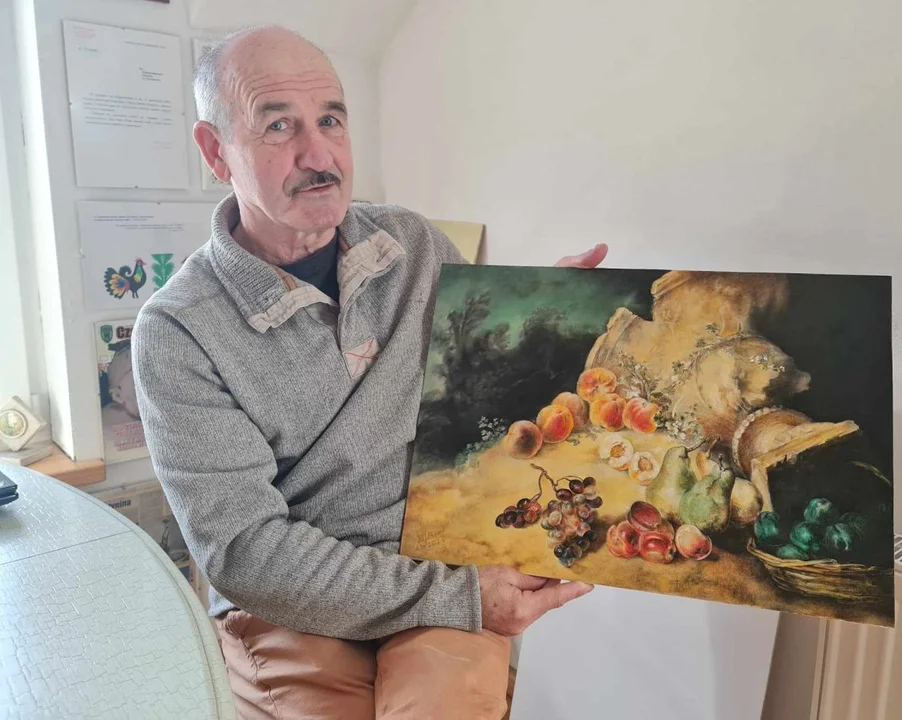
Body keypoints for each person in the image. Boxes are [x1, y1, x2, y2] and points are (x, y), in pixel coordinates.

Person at [132, 24, 607, 720]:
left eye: (331, 119)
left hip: (436, 560)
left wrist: (544, 324)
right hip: (289, 603)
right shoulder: (178, 332)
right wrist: (463, 597)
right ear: (215, 151)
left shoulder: (413, 245)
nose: (318, 154)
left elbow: (480, 396)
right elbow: (247, 552)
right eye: (278, 126)